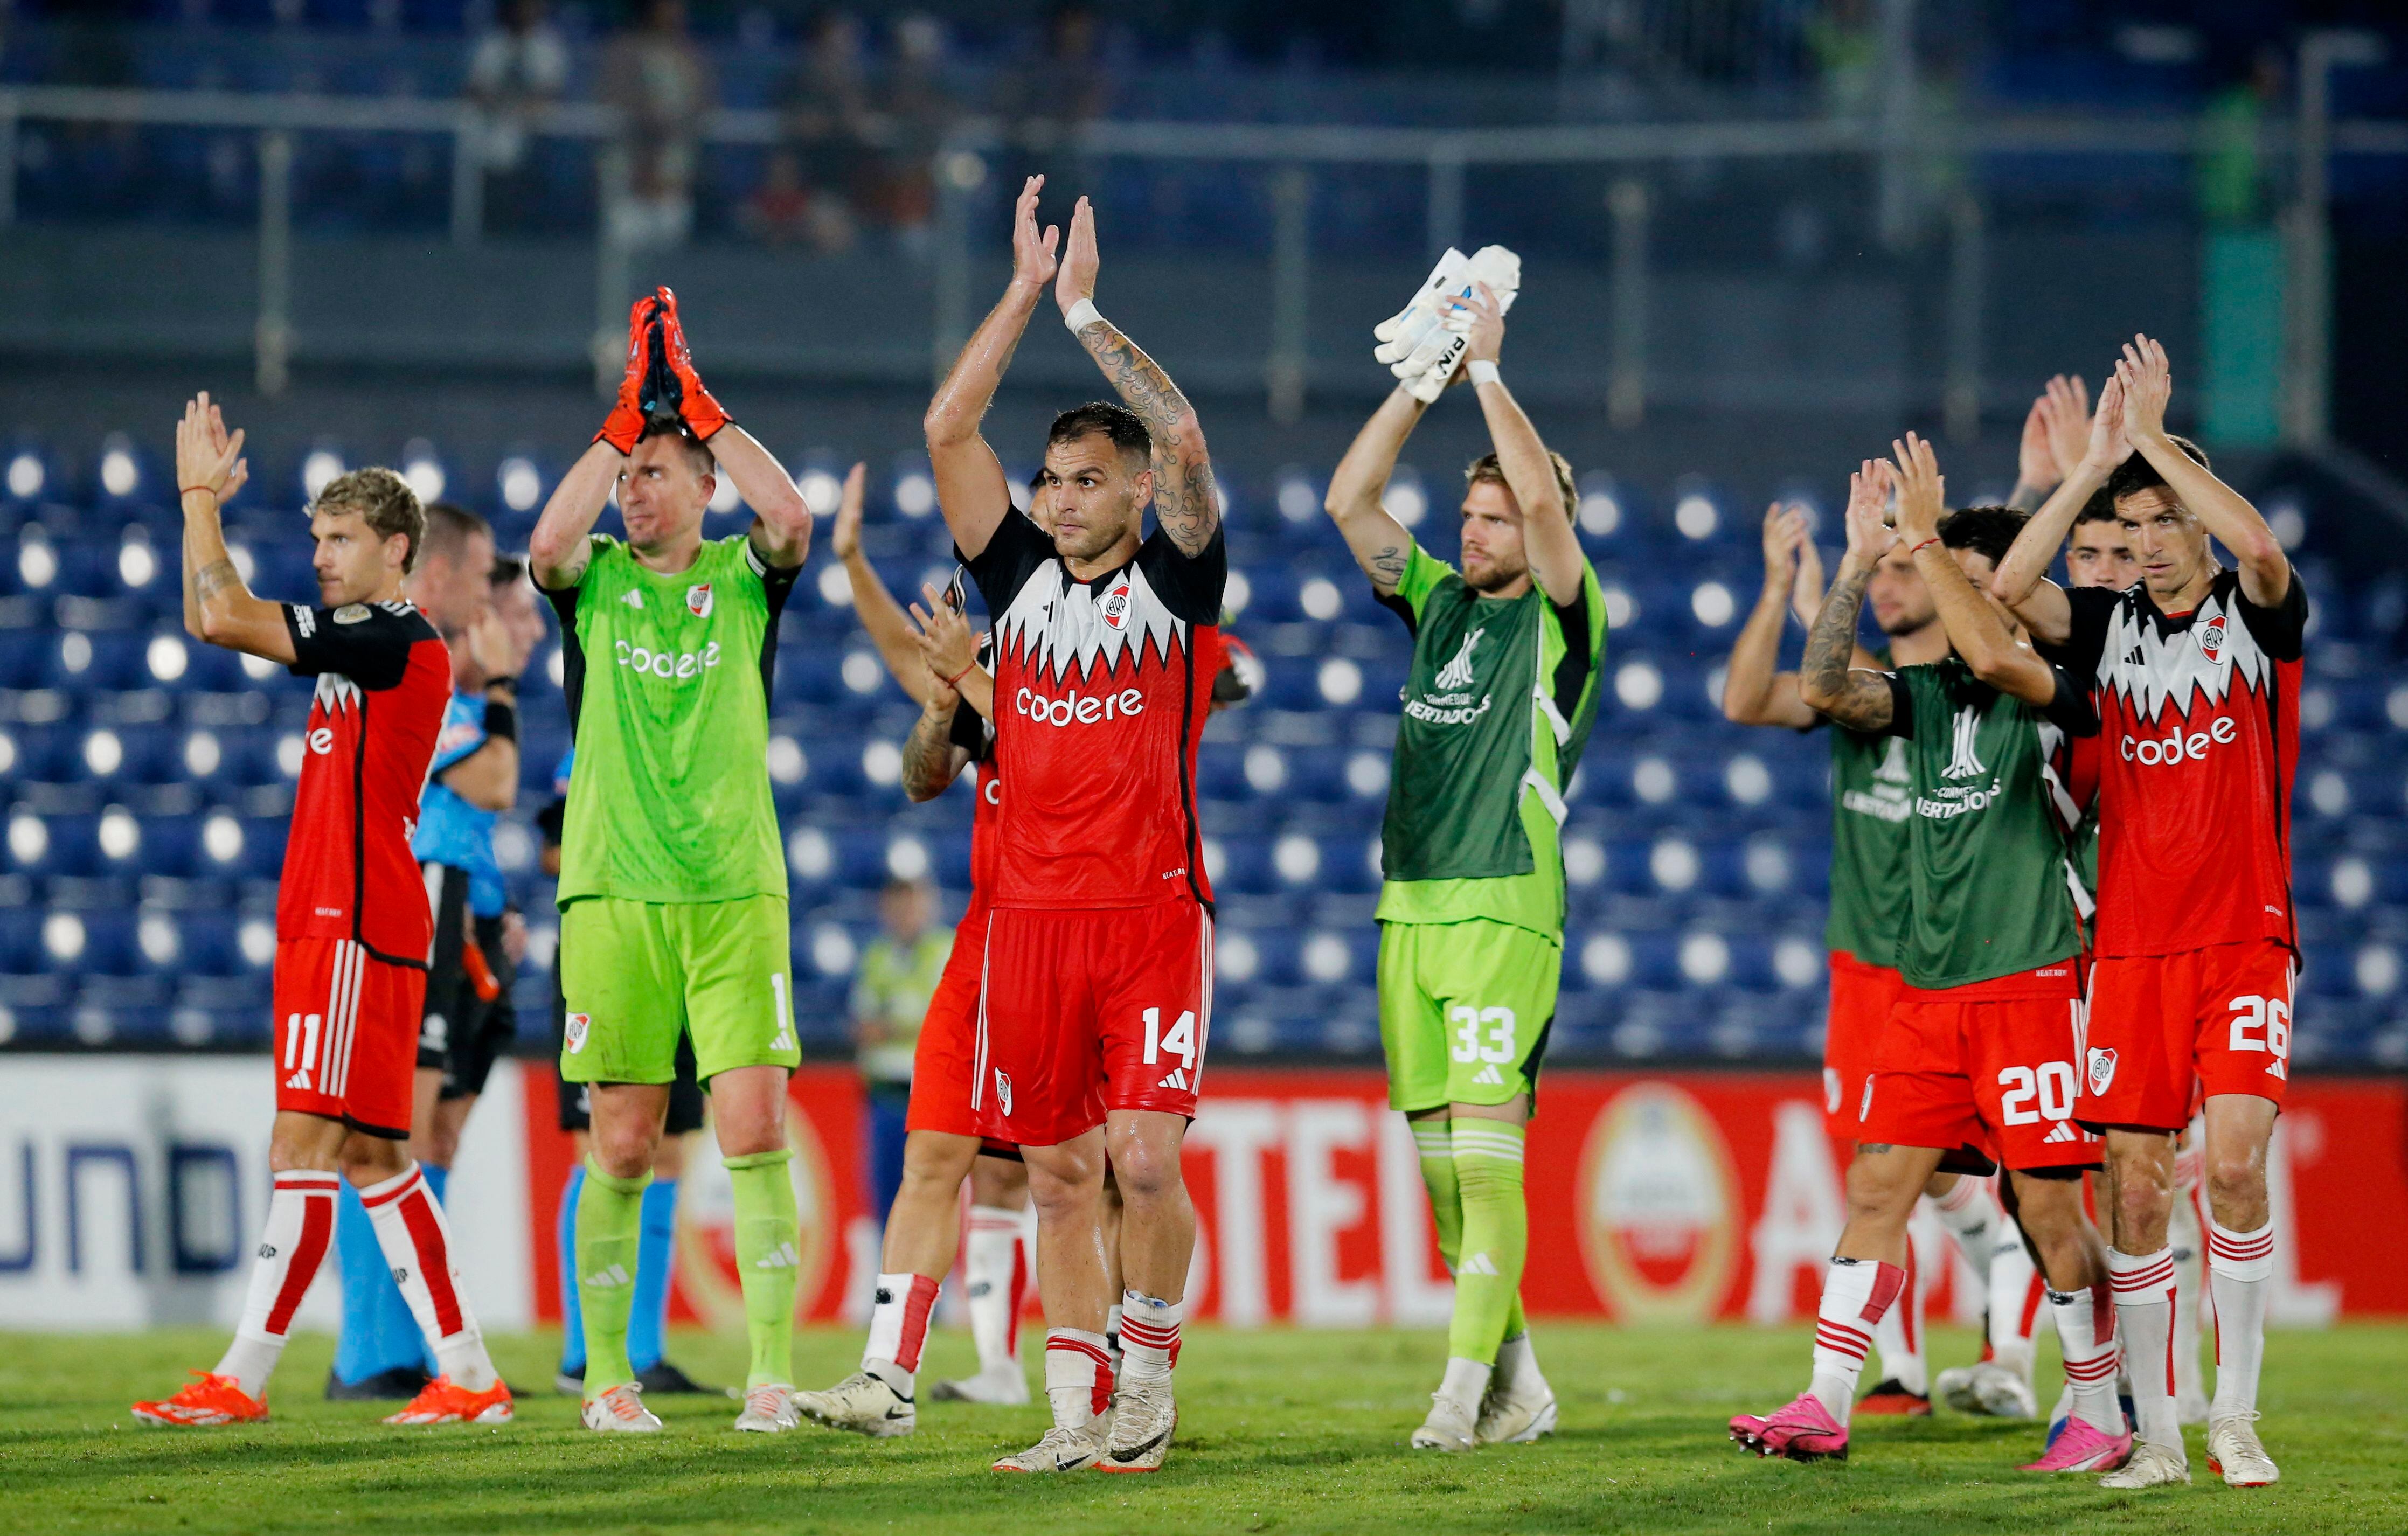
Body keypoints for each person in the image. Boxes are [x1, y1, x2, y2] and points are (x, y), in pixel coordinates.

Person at [1731, 436, 2118, 1472]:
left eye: (1961, 580)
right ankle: (1823, 1400)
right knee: (1874, 1189)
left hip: (2029, 976)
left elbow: (1994, 650)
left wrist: (1928, 540)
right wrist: (1859, 562)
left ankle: (2094, 1403)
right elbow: (1818, 688)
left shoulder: (2059, 688)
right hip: (1925, 985)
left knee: (2041, 1202)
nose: (1941, 598)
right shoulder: (1924, 696)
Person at [919, 178, 1222, 1475]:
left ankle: (1145, 1382)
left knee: (1143, 1161)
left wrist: (1090, 312)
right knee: (1052, 1180)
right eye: (1048, 479)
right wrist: (1022, 292)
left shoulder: (1174, 584)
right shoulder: (1019, 582)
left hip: (1147, 915)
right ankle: (1072, 1411)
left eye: (1086, 480)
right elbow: (947, 427)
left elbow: (1194, 441)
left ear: (1136, 490)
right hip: (1028, 926)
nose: (1056, 497)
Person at [133, 395, 510, 1428]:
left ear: (397, 550)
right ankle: (470, 1372)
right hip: (358, 919)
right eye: (314, 538)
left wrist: (197, 497)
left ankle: (243, 1377)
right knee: (375, 1159)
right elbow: (207, 612)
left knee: (300, 1147)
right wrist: (198, 515)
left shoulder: (387, 636)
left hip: (348, 922)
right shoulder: (373, 641)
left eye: (341, 539)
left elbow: (218, 615)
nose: (322, 556)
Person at [1993, 336, 2301, 1491]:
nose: (2147, 544)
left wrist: (2155, 440)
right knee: (2127, 1183)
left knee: (2226, 1167)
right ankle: (2157, 1438)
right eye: (2135, 527)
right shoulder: (2108, 634)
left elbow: (2263, 547)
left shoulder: (2254, 619)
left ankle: (2234, 1415)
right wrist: (2088, 471)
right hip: (2125, 950)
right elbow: (2006, 591)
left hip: (2240, 941)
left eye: (2162, 520)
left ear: (2196, 527)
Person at [530, 287, 815, 1434]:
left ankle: (772, 1379)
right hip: (611, 891)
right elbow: (542, 545)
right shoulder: (591, 578)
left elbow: (791, 518)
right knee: (624, 1140)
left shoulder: (746, 580)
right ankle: (607, 1380)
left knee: (752, 1131)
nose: (635, 489)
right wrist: (618, 427)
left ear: (706, 487)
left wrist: (707, 411)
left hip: (735, 891)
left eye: (658, 470)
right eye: (628, 473)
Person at [1321, 279, 1599, 1452]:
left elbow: (1540, 500)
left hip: (1502, 909)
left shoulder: (1566, 616)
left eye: (1492, 518)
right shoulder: (1432, 603)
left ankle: (1453, 1396)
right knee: (1442, 1183)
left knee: (1487, 1172)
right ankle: (1518, 1381)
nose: (1474, 529)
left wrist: (1488, 374)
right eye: (1468, 515)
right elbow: (1349, 498)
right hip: (1411, 908)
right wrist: (1422, 377)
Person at [1719, 471, 2010, 1419]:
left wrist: (2049, 482)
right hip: (1864, 968)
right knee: (1885, 1178)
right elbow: (1745, 702)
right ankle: (1897, 1376)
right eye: (1872, 570)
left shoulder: (1978, 689)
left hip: (1962, 964)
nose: (1886, 585)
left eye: (1899, 565)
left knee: (1995, 1183)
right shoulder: (1856, 692)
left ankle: (2010, 1356)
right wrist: (1780, 589)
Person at [794, 468, 1042, 1429]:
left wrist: (964, 674)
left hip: (1081, 945)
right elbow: (913, 678)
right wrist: (853, 561)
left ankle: (1108, 1371)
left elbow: (1063, 753)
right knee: (938, 1153)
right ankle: (892, 1376)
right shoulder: (997, 679)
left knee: (1084, 1174)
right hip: (989, 945)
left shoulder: (1086, 669)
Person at [321, 500, 504, 1401]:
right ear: (435, 573)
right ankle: (369, 1349)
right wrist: (499, 689)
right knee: (388, 1127)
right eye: (476, 577)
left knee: (420, 1132)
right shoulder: (410, 653)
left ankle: (407, 1345)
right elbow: (495, 783)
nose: (484, 596)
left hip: (448, 902)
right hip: (413, 891)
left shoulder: (431, 663)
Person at [542, 745, 718, 1400]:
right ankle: (581, 1351)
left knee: (667, 1154)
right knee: (597, 1151)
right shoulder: (595, 741)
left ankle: (644, 1348)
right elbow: (554, 849)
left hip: (688, 939)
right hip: (608, 946)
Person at [852, 875, 952, 1235]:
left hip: (933, 1094)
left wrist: (891, 1025)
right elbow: (863, 1026)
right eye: (897, 902)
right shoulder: (877, 955)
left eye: (912, 902)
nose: (905, 912)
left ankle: (941, 1289)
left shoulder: (945, 949)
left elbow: (945, 1019)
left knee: (935, 1193)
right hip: (885, 1092)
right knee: (885, 1196)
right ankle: (889, 1283)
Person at [599, 0, 711, 250]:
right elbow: (612, 101)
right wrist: (646, 118)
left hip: (674, 169)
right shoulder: (624, 51)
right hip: (629, 168)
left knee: (673, 230)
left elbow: (705, 105)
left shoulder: (690, 53)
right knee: (624, 237)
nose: (675, 12)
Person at [464, 0, 568, 232]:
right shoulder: (492, 43)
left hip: (538, 139)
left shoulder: (548, 45)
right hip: (493, 135)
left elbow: (551, 94)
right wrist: (502, 106)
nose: (527, 11)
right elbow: (475, 90)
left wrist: (522, 109)